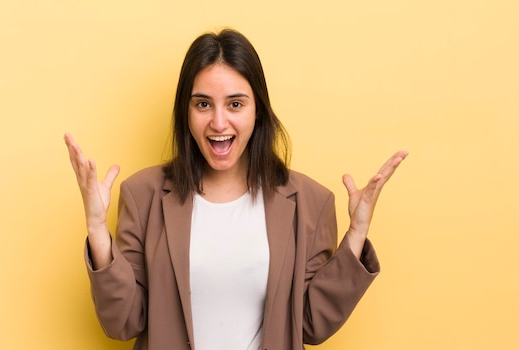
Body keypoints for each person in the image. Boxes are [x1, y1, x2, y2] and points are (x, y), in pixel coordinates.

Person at [64, 28, 408, 350]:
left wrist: (357, 234)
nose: (218, 122)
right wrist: (97, 231)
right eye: (202, 104)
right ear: (185, 112)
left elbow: (310, 324)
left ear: (258, 110)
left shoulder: (310, 203)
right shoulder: (143, 195)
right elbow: (122, 323)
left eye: (235, 104)